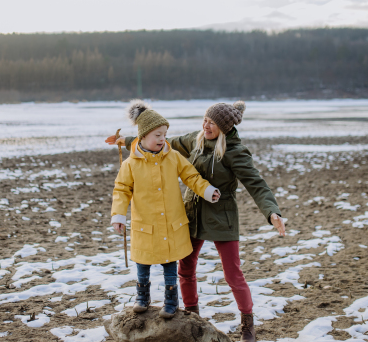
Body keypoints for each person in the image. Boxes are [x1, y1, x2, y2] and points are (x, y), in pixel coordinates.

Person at [107, 101, 285, 342]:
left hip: (222, 216)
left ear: (223, 127)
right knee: (186, 269)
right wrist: (127, 140)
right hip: (192, 213)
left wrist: (272, 211)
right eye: (205, 119)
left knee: (232, 274)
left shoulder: (235, 151)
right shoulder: (196, 139)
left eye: (211, 123)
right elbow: (157, 139)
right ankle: (192, 315)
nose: (205, 125)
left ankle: (247, 324)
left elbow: (256, 183)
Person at [110, 99, 221, 319]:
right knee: (143, 262)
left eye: (164, 134)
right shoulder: (130, 164)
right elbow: (121, 190)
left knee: (170, 264)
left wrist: (207, 191)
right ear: (143, 137)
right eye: (157, 135)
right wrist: (118, 215)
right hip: (145, 225)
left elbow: (192, 177)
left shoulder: (174, 157)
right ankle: (142, 296)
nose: (162, 139)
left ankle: (171, 301)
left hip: (171, 223)